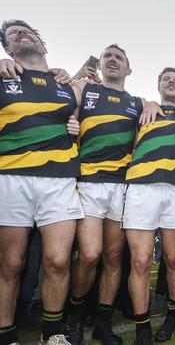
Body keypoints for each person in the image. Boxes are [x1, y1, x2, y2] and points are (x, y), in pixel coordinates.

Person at [64, 44, 158, 345]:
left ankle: (103, 324)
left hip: (122, 185)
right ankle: (75, 318)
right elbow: (58, 103)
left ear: (129, 70)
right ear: (101, 65)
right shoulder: (84, 90)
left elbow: (152, 110)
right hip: (89, 181)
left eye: (119, 58)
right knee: (89, 255)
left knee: (114, 256)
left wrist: (152, 102)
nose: (112, 61)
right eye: (107, 57)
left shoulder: (137, 102)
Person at [0, 19, 84, 345]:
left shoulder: (65, 84)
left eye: (27, 31)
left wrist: (74, 123)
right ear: (8, 49)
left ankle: (52, 334)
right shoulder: (3, 75)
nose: (21, 34)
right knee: (10, 264)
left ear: (43, 45)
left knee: (58, 260)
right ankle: (7, 335)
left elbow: (84, 108)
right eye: (12, 35)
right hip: (10, 176)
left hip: (60, 178)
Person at [122, 67, 175, 345]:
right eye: (166, 78)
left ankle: (173, 315)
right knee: (141, 261)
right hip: (141, 189)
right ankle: (143, 328)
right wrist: (148, 103)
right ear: (158, 85)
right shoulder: (143, 109)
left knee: (174, 259)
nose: (171, 82)